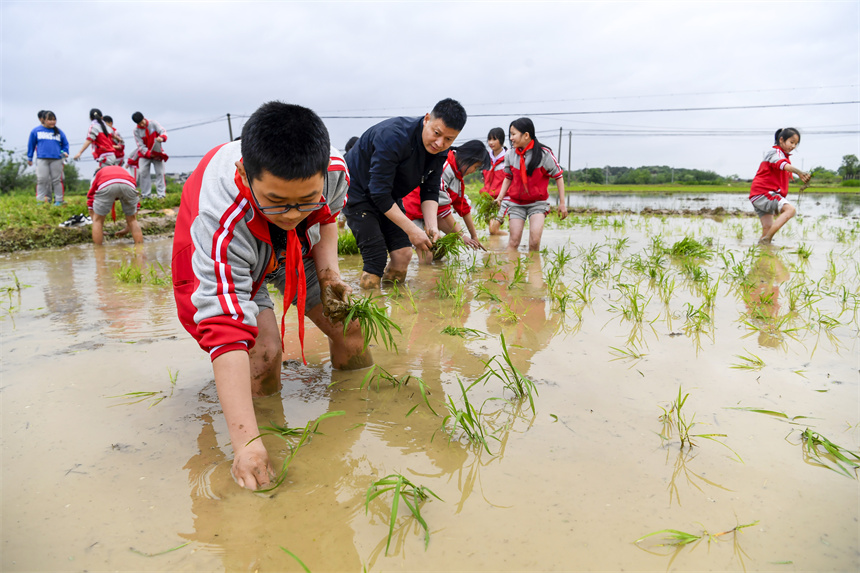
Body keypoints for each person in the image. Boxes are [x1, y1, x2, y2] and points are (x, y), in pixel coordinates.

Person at [171, 101, 371, 491]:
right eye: (278, 201)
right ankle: (264, 440)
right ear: (245, 175)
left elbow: (325, 216)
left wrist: (329, 273)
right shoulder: (217, 220)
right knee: (263, 353)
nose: (293, 212)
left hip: (294, 248)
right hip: (239, 254)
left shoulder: (332, 172)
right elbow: (225, 330)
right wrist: (244, 443)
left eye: (305, 198)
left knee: (352, 330)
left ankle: (355, 414)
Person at [343, 98, 467, 288]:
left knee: (403, 255)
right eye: (437, 133)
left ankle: (397, 312)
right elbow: (378, 193)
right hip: (359, 193)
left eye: (449, 139)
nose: (440, 143)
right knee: (376, 259)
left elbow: (430, 190)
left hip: (389, 196)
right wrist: (412, 230)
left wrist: (431, 227)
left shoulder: (441, 150)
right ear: (427, 119)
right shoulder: (393, 136)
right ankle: (370, 300)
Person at [402, 140, 488, 263]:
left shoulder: (457, 176)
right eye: (476, 167)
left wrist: (474, 236)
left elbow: (463, 207)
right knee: (427, 256)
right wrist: (462, 236)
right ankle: (424, 274)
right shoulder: (445, 166)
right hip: (412, 210)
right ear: (469, 159)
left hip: (431, 213)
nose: (474, 171)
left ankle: (436, 263)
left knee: (452, 238)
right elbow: (443, 208)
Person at [494, 117, 568, 252]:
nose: (511, 138)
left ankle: (534, 272)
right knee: (513, 241)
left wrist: (562, 203)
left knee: (534, 242)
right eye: (510, 134)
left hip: (537, 203)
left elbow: (558, 176)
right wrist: (500, 197)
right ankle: (511, 271)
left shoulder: (544, 154)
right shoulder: (510, 154)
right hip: (516, 203)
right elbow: (508, 177)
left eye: (513, 134)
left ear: (526, 135)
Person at [749, 128, 810, 245]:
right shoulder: (775, 153)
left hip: (758, 195)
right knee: (790, 210)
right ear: (781, 140)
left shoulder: (783, 156)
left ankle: (763, 253)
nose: (793, 146)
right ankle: (767, 240)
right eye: (791, 142)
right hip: (764, 193)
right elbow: (781, 164)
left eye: (796, 144)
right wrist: (799, 172)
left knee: (767, 229)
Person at [86, 165, 143, 245]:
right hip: (128, 184)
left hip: (107, 184)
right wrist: (128, 228)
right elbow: (136, 204)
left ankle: (98, 253)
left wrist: (97, 227)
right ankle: (140, 251)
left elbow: (91, 197)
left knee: (98, 221)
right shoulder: (122, 170)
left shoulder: (99, 174)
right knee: (132, 220)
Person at [27, 110, 69, 205]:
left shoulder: (59, 132)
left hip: (57, 159)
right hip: (42, 159)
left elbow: (65, 144)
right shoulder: (36, 131)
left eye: (54, 120)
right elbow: (31, 145)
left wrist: (65, 152)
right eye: (50, 120)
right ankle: (40, 200)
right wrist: (29, 157)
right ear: (43, 120)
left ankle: (59, 200)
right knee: (42, 180)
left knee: (57, 180)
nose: (52, 122)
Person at [131, 111, 168, 199]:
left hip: (157, 152)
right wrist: (148, 153)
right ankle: (146, 195)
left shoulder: (153, 123)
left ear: (144, 118)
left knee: (160, 173)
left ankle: (161, 195)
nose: (142, 124)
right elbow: (140, 145)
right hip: (144, 155)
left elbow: (163, 131)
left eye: (142, 121)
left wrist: (162, 137)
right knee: (143, 173)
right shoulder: (136, 131)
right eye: (140, 123)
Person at [480, 127, 508, 235]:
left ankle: (513, 239)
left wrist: (501, 197)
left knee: (492, 228)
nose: (491, 142)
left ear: (501, 140)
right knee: (493, 231)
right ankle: (507, 239)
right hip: (488, 198)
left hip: (503, 198)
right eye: (489, 139)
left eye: (494, 139)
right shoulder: (486, 158)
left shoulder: (508, 157)